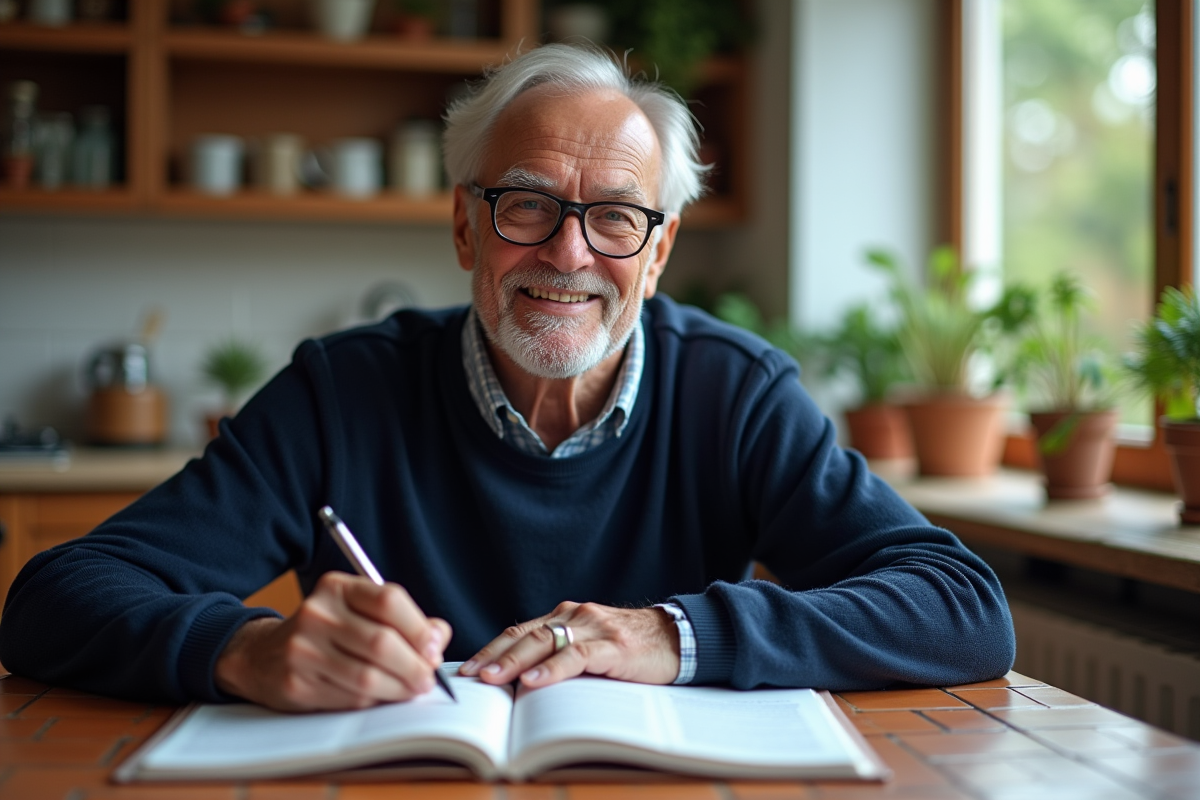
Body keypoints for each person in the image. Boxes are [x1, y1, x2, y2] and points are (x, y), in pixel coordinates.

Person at [0, 45, 1015, 710]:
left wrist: (676, 632)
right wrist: (241, 648)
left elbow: (965, 604)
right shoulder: (338, 394)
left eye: (616, 216)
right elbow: (54, 596)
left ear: (657, 255)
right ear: (462, 226)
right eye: (525, 204)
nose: (569, 255)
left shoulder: (735, 394)